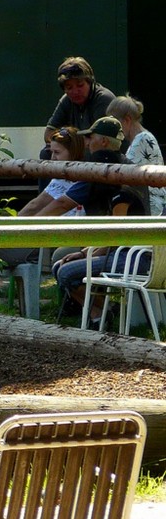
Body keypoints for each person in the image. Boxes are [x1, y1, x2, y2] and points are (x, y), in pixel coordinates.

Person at [53, 116, 149, 328]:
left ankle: (105, 311)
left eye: (90, 138)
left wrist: (87, 253)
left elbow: (117, 235)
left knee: (65, 272)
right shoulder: (119, 181)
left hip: (131, 255)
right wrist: (87, 251)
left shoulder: (122, 191)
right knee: (60, 265)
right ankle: (100, 314)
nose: (86, 143)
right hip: (120, 252)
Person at [0, 127, 87, 303]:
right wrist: (13, 227)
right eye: (51, 152)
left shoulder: (80, 179)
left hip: (50, 241)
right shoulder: (61, 177)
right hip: (44, 237)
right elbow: (36, 205)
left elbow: (46, 206)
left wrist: (15, 228)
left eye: (57, 153)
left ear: (73, 152)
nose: (53, 158)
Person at [38, 57, 115, 192]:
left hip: (103, 156)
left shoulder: (103, 99)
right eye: (69, 87)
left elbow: (101, 140)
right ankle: (48, 196)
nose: (75, 91)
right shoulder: (67, 101)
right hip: (77, 152)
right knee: (47, 153)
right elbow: (48, 134)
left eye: (80, 85)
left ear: (90, 82)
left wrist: (70, 142)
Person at [107, 94, 165, 215]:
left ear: (127, 120)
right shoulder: (138, 139)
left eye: (115, 123)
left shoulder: (142, 139)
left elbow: (126, 177)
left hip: (152, 207)